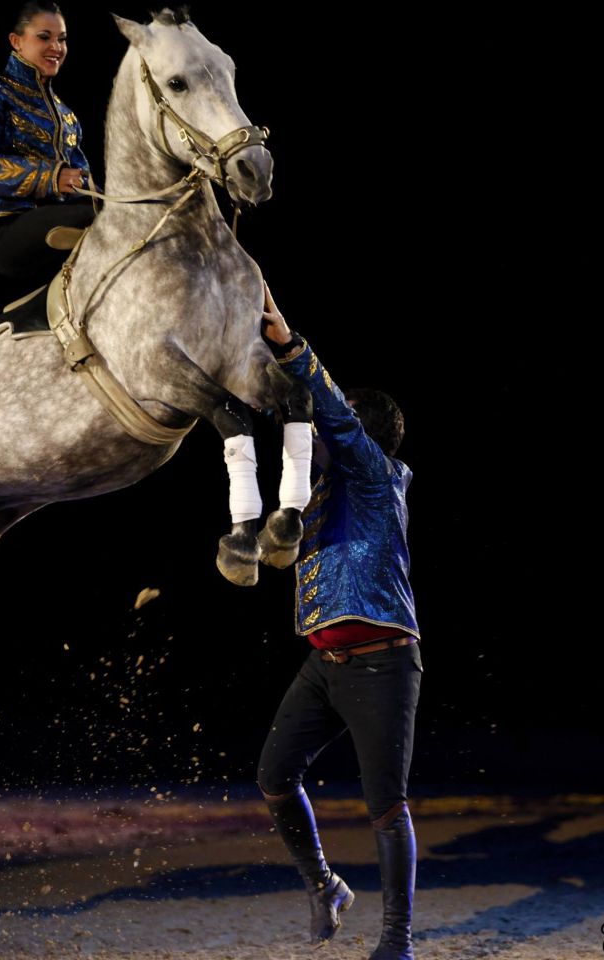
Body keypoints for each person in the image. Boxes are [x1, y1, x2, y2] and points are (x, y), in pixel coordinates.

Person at [256, 283, 423, 960]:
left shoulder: (378, 475)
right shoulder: (320, 492)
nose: (328, 429)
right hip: (325, 663)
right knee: (273, 777)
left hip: (383, 662)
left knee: (385, 806)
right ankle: (325, 885)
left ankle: (397, 941)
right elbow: (298, 422)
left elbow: (331, 420)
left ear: (364, 433)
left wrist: (291, 346)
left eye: (342, 422)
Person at [0, 1, 96, 284]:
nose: (56, 47)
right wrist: (50, 177)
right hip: (4, 224)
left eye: (62, 39)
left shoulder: (66, 116)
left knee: (123, 214)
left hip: (57, 217)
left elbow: (83, 181)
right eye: (45, 37)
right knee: (101, 217)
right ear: (16, 42)